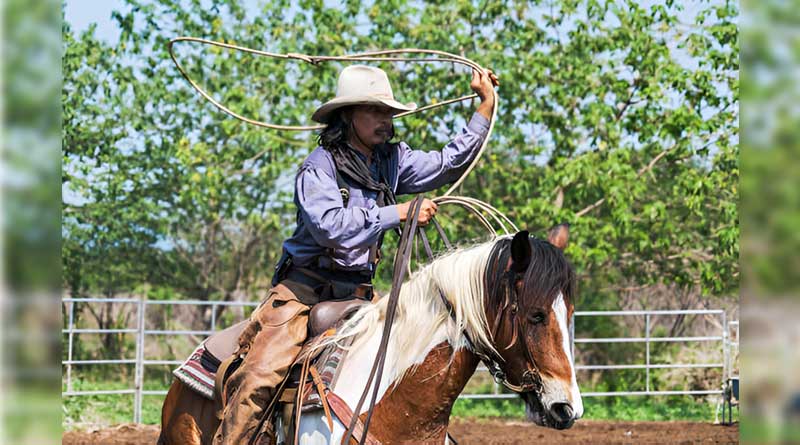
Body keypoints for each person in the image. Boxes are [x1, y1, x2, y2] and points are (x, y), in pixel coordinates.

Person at [213, 64, 498, 445]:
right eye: (376, 111)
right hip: (304, 291)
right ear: (348, 117)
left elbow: (446, 164)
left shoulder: (391, 161)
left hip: (361, 293)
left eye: (389, 112)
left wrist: (484, 107)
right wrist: (395, 213)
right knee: (257, 378)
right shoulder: (318, 167)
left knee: (422, 356)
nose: (386, 120)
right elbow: (329, 226)